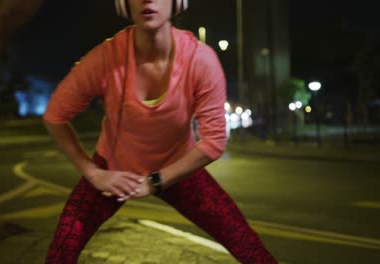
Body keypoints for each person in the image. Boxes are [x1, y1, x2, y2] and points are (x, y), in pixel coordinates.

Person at [43, 0, 278, 263]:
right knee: (60, 253)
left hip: (180, 168)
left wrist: (155, 182)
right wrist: (93, 173)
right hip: (115, 168)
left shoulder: (200, 59)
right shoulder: (106, 58)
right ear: (123, 4)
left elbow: (214, 141)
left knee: (250, 248)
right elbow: (55, 115)